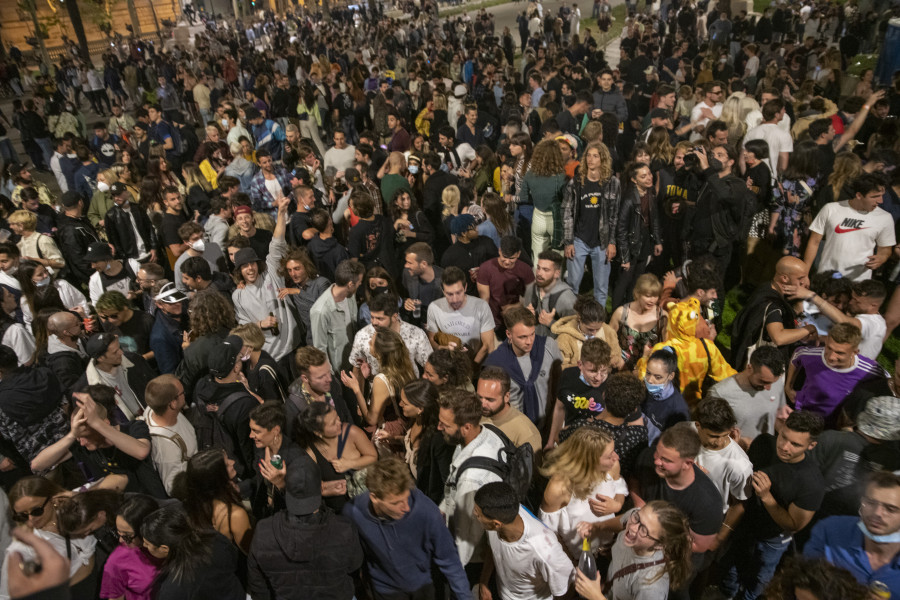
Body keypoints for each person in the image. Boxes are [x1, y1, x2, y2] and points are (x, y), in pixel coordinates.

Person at [718, 410, 826, 600]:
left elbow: (793, 525)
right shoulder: (764, 443)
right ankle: (728, 594)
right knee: (732, 563)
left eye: (795, 444)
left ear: (811, 445)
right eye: (784, 437)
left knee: (761, 576)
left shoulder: (811, 483)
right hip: (744, 522)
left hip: (772, 538)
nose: (785, 446)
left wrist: (767, 497)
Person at [344, 457, 473, 600]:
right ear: (374, 498)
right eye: (396, 503)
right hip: (385, 591)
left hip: (424, 588)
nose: (406, 507)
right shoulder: (353, 513)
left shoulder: (426, 511)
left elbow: (450, 560)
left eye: (406, 497)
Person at [248, 450, 364, 600]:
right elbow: (354, 566)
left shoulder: (264, 531)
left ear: (287, 488)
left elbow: (257, 584)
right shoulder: (343, 528)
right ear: (321, 488)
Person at [438, 388, 507, 567]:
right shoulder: (488, 432)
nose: (439, 428)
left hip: (473, 560)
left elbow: (466, 537)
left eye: (445, 425)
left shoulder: (471, 480)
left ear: (466, 427)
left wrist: (454, 572)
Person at [473, 481, 575, 600]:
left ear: (496, 524)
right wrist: (484, 582)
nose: (475, 514)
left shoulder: (544, 549)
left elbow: (567, 588)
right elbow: (493, 549)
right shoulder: (502, 514)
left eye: (478, 514)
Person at [805, 470, 900, 596]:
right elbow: (802, 582)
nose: (877, 513)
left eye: (890, 509)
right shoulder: (830, 530)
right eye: (870, 503)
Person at [232, 197, 299, 370]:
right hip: (271, 356)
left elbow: (277, 243)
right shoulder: (238, 295)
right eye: (244, 266)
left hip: (293, 347)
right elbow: (243, 327)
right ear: (239, 271)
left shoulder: (270, 273)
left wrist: (281, 213)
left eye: (252, 263)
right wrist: (261, 324)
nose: (250, 269)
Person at [539, 427, 626, 555]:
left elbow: (620, 488)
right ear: (589, 460)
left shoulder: (613, 466)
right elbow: (549, 532)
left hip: (612, 548)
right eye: (609, 456)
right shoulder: (558, 488)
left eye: (614, 451)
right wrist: (571, 561)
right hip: (580, 557)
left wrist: (617, 504)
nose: (616, 457)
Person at [787, 323, 885, 426]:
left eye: (840, 353)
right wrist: (788, 386)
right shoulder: (811, 355)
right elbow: (797, 355)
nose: (831, 357)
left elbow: (888, 382)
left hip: (837, 426)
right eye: (829, 348)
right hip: (804, 414)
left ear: (855, 352)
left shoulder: (870, 370)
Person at [730, 256, 819, 370]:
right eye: (801, 278)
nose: (806, 283)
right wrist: (809, 329)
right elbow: (778, 337)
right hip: (763, 368)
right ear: (784, 278)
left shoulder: (765, 288)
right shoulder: (773, 305)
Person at [193, 334, 262, 480]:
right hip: (241, 469)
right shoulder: (245, 404)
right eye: (239, 357)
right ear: (237, 367)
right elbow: (249, 448)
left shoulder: (201, 386)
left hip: (219, 457)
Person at [140, 504, 245, 600]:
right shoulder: (214, 538)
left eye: (147, 544)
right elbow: (234, 561)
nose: (144, 546)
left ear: (164, 548)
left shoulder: (174, 587)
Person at [805, 173, 895, 282]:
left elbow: (885, 248)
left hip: (858, 281)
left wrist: (882, 258)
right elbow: (814, 242)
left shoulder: (885, 218)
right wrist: (805, 273)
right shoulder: (831, 209)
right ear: (859, 195)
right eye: (875, 196)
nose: (880, 201)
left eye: (882, 195)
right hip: (826, 277)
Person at [293, 402, 377, 513]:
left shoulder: (352, 432)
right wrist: (325, 489)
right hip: (340, 511)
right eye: (333, 423)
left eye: (337, 417)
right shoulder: (310, 452)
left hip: (368, 504)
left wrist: (351, 463)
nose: (339, 422)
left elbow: (373, 456)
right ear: (318, 432)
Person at [484, 306, 561, 426]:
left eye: (532, 334)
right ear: (508, 334)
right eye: (522, 337)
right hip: (517, 429)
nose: (529, 341)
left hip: (551, 425)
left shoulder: (549, 346)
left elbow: (561, 384)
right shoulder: (495, 363)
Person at [707, 345, 786, 449]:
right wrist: (741, 442)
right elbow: (709, 434)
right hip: (736, 458)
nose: (768, 388)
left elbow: (776, 416)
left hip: (767, 456)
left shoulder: (775, 382)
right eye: (763, 381)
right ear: (749, 368)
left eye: (772, 382)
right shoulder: (720, 393)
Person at [693, 396, 754, 527]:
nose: (720, 441)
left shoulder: (740, 465)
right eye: (713, 436)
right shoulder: (686, 432)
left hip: (711, 523)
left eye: (725, 435)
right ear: (698, 425)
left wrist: (720, 538)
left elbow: (739, 505)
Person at [181, 449, 253, 557]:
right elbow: (251, 553)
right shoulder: (235, 515)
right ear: (216, 477)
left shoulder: (192, 506)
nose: (232, 462)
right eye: (226, 464)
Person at [426, 266, 496, 365]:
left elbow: (488, 345)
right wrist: (444, 348)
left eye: (458, 293)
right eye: (449, 294)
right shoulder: (434, 307)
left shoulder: (481, 306)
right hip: (449, 366)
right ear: (442, 291)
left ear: (465, 287)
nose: (455, 299)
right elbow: (432, 340)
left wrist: (472, 368)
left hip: (476, 365)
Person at [143, 374, 197, 496]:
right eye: (182, 393)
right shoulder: (166, 446)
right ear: (172, 404)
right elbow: (173, 488)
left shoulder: (155, 407)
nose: (185, 394)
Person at [310, 259, 366, 374]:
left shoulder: (350, 295)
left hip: (355, 363)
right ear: (350, 284)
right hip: (339, 372)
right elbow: (320, 350)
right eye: (359, 282)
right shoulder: (320, 311)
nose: (360, 284)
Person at [100, 494, 160, 600]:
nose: (121, 540)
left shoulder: (170, 542)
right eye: (118, 533)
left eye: (127, 536)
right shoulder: (118, 560)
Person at [477, 366, 542, 455]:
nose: (483, 404)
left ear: (506, 397)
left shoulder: (526, 433)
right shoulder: (476, 414)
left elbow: (531, 468)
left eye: (490, 400)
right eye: (479, 397)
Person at [287, 346, 353, 431]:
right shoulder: (293, 408)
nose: (329, 379)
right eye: (321, 377)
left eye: (328, 372)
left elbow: (345, 414)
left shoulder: (332, 383)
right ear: (305, 378)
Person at [476, 236, 535, 330]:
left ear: (518, 254)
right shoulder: (486, 268)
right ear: (499, 251)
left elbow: (531, 298)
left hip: (518, 320)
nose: (507, 262)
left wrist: (513, 307)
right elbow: (484, 299)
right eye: (504, 257)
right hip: (494, 322)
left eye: (512, 258)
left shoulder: (525, 270)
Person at [553, 295, 623, 371]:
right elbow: (559, 367)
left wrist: (613, 361)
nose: (594, 333)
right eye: (590, 329)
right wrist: (586, 367)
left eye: (598, 329)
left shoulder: (609, 332)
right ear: (579, 318)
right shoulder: (565, 338)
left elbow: (617, 356)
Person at [521, 250, 577, 338]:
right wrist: (525, 316)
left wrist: (551, 323)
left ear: (556, 273)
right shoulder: (530, 289)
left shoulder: (567, 299)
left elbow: (576, 331)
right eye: (538, 268)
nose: (539, 273)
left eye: (545, 270)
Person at [641, 349, 690, 444]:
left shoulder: (678, 409)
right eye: (648, 373)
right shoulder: (644, 389)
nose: (650, 380)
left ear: (671, 376)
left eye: (658, 377)